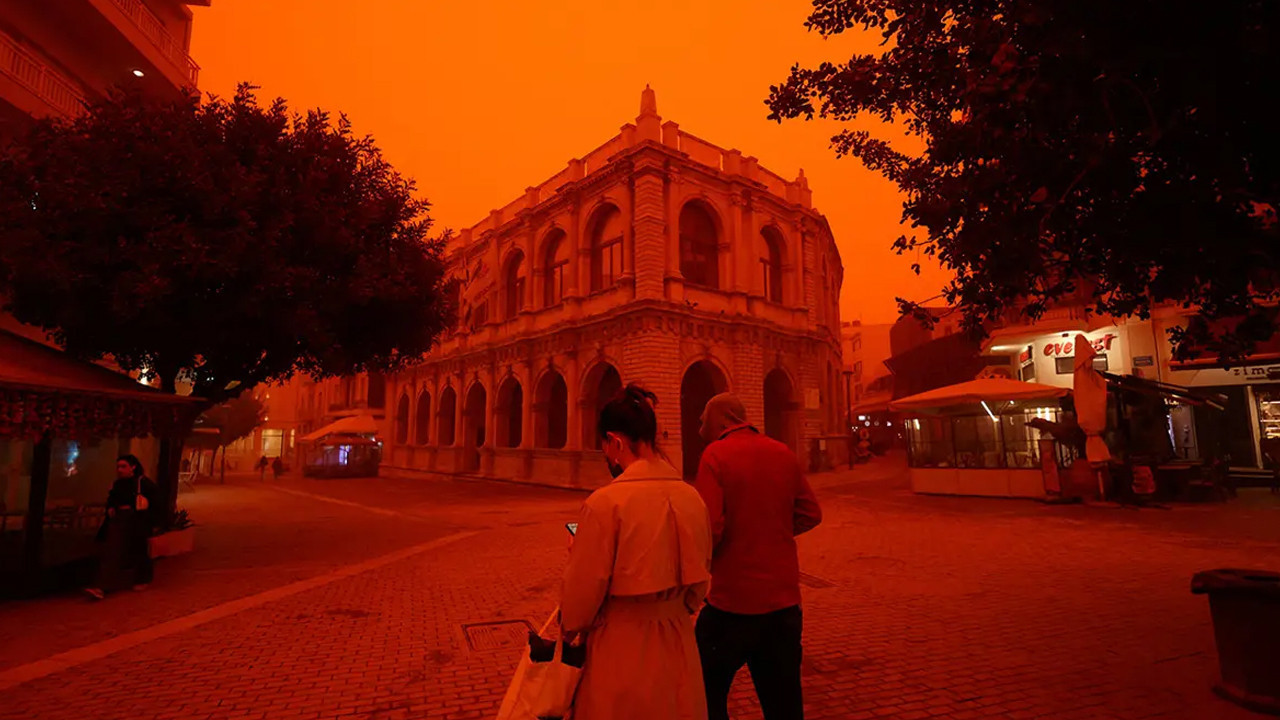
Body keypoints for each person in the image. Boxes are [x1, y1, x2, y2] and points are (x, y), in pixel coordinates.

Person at [561, 384, 713, 720]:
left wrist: (576, 555)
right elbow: (700, 587)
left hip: (621, 648)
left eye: (604, 447)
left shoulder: (605, 504)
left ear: (614, 442)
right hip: (678, 644)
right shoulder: (692, 497)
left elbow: (577, 610)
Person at [694, 393, 823, 720]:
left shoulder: (715, 456)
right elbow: (810, 512)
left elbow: (711, 528)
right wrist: (773, 530)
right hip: (783, 607)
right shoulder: (782, 452)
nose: (698, 428)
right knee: (784, 706)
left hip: (731, 607)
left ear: (723, 420)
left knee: (704, 694)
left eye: (702, 420)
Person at [85, 454, 159, 600]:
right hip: (119, 520)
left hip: (136, 521)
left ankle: (140, 579)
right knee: (112, 551)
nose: (120, 470)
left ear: (133, 467)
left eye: (123, 466)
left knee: (138, 550)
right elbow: (112, 499)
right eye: (118, 467)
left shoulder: (143, 483)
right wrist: (111, 508)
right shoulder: (118, 484)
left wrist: (151, 522)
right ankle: (102, 586)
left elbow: (156, 502)